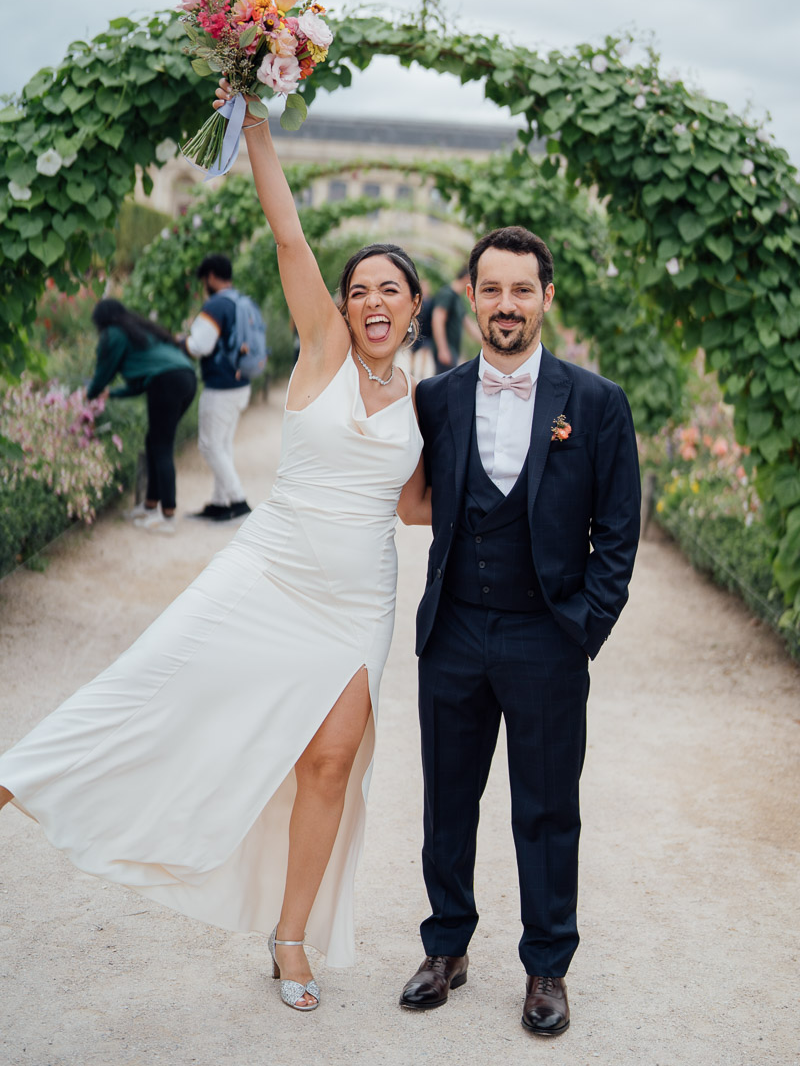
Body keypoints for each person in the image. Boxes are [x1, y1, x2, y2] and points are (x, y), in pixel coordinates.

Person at [0, 83, 424, 1013]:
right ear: (345, 308)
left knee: (328, 767)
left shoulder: (424, 407)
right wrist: (260, 126)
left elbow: (423, 507)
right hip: (268, 575)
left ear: (417, 305)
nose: (371, 301)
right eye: (360, 290)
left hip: (358, 610)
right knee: (154, 674)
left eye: (390, 288)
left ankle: (290, 940)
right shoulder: (321, 350)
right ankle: (16, 780)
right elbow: (288, 238)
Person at [397, 225, 641, 1035]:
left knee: (546, 809)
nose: (507, 306)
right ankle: (446, 948)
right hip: (456, 630)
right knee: (447, 800)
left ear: (545, 298)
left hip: (549, 637)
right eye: (492, 289)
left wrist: (585, 628)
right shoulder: (435, 397)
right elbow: (406, 497)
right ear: (470, 296)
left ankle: (546, 970)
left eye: (522, 290)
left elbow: (618, 530)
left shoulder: (597, 403)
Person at [87, 299, 197, 533]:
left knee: (161, 445)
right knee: (154, 442)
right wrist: (113, 393)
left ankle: (167, 517)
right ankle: (150, 506)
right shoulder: (137, 330)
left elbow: (103, 372)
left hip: (167, 382)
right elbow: (143, 380)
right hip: (185, 378)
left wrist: (88, 395)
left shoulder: (114, 334)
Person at [180, 253, 253, 522]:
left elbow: (200, 345)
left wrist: (181, 342)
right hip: (241, 383)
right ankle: (221, 503)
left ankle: (238, 501)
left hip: (220, 386)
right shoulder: (241, 301)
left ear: (210, 276)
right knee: (222, 445)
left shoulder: (216, 305)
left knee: (210, 446)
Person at [430, 265, 480, 374]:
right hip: (446, 352)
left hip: (453, 352)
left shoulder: (458, 298)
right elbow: (437, 320)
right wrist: (442, 349)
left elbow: (469, 325)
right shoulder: (447, 294)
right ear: (467, 278)